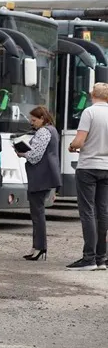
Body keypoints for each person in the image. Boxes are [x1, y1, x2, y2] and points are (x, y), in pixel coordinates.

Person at [67, 82, 108, 271]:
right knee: (103, 212)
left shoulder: (89, 112)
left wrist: (72, 146)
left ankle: (88, 258)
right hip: (107, 168)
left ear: (92, 94)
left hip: (88, 167)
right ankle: (102, 258)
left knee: (88, 211)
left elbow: (80, 141)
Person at [17, 106, 61, 262]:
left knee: (37, 213)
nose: (32, 122)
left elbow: (35, 156)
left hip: (39, 176)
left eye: (34, 120)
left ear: (43, 118)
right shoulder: (53, 130)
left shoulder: (43, 132)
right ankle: (38, 246)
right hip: (46, 176)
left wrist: (22, 153)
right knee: (38, 212)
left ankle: (39, 246)